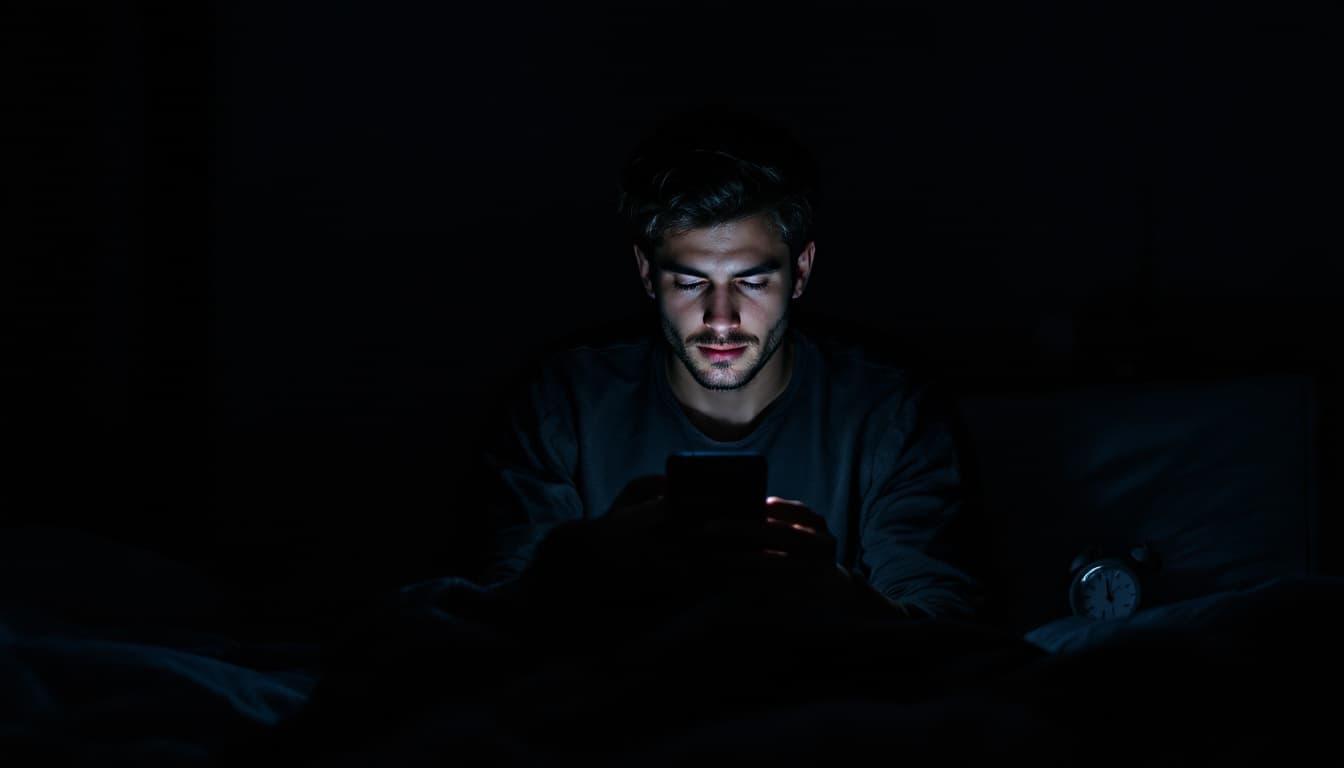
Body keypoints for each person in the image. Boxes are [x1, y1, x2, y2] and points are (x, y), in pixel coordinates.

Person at [476, 106, 981, 623]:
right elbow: (497, 622)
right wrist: (587, 562)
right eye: (692, 283)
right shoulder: (565, 405)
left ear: (800, 271)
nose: (721, 320)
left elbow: (944, 622)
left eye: (752, 281)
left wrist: (837, 594)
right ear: (648, 275)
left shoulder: (885, 413)